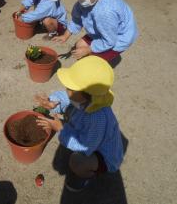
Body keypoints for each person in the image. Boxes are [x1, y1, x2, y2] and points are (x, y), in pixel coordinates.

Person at [35, 56, 124, 192]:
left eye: (70, 88)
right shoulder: (88, 99)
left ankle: (83, 176)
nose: (66, 89)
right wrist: (52, 102)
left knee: (77, 161)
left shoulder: (97, 118)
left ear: (86, 95)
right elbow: (65, 98)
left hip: (103, 154)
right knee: (69, 113)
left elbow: (85, 147)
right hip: (91, 138)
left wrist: (61, 129)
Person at [53, 0, 138, 66]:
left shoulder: (105, 12)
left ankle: (96, 68)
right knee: (80, 45)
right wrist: (65, 35)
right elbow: (77, 20)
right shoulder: (87, 1)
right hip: (104, 28)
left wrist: (88, 50)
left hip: (118, 37)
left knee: (93, 62)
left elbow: (110, 41)